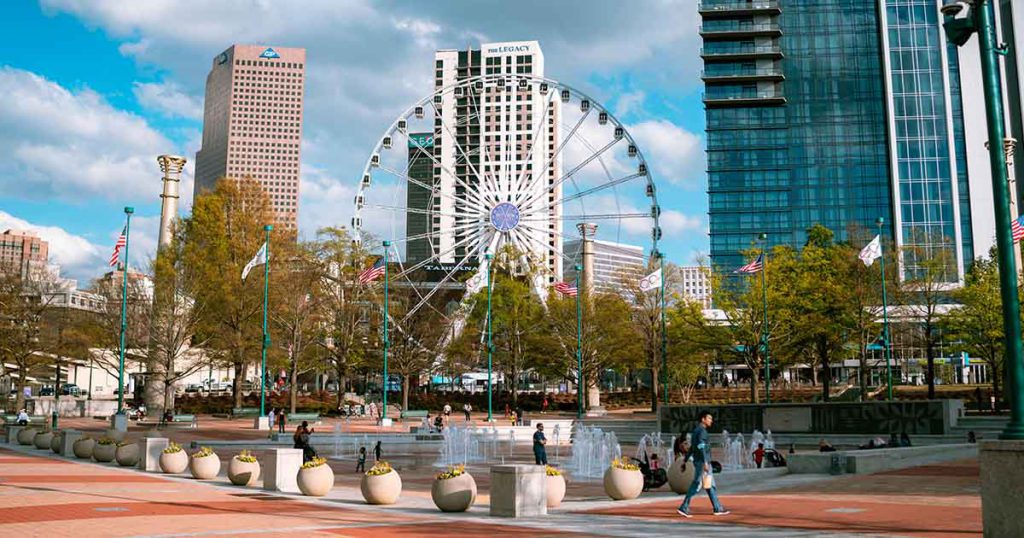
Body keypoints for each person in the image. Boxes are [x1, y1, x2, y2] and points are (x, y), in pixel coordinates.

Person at [677, 411, 729, 517]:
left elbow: (692, 448)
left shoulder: (696, 431)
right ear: (703, 419)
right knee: (697, 484)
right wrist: (705, 462)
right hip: (702, 462)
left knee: (710, 485)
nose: (711, 421)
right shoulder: (702, 432)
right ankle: (684, 507)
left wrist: (685, 460)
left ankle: (717, 508)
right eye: (709, 418)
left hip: (700, 461)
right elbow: (701, 447)